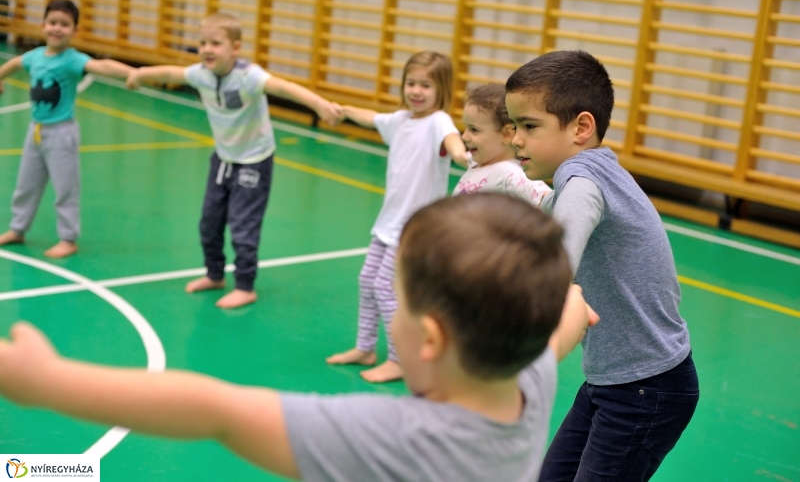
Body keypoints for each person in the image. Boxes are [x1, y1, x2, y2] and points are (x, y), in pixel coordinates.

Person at [0, 193, 599, 482]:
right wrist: (571, 302)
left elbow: (215, 411)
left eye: (400, 301)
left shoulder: (399, 443)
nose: (391, 312)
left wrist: (46, 381)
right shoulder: (525, 377)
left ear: (432, 340)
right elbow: (565, 322)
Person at [505, 49, 699, 482]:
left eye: (530, 126)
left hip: (648, 390)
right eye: (514, 125)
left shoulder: (582, 179)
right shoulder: (594, 172)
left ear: (581, 127)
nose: (516, 138)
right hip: (611, 382)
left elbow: (562, 254)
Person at [126, 13, 342, 309]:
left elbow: (283, 88)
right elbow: (171, 74)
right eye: (202, 43)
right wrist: (140, 74)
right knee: (209, 223)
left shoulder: (248, 76)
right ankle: (214, 274)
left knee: (243, 225)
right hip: (224, 159)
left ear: (235, 48)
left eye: (216, 43)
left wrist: (319, 104)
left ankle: (245, 285)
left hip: (254, 160)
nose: (207, 49)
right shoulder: (201, 74)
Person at [326, 51, 469, 383]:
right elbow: (372, 117)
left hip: (414, 227)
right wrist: (345, 111)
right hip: (389, 222)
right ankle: (365, 347)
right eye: (411, 83)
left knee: (385, 288)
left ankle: (400, 358)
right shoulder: (401, 120)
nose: (416, 91)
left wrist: (461, 153)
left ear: (442, 90)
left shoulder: (438, 123)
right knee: (367, 282)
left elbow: (452, 139)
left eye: (425, 86)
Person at [0, 0, 135, 258]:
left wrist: (133, 73)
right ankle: (17, 229)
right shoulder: (34, 57)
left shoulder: (72, 60)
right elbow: (14, 64)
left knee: (65, 188)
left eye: (64, 24)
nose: (57, 29)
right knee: (25, 185)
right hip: (35, 130)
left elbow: (101, 66)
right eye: (52, 23)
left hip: (62, 134)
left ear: (75, 30)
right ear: (42, 26)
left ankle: (68, 238)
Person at [454, 82, 551, 204]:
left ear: (506, 134)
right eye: (466, 128)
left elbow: (542, 196)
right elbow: (460, 157)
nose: (464, 136)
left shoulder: (508, 173)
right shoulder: (478, 162)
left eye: (474, 130)